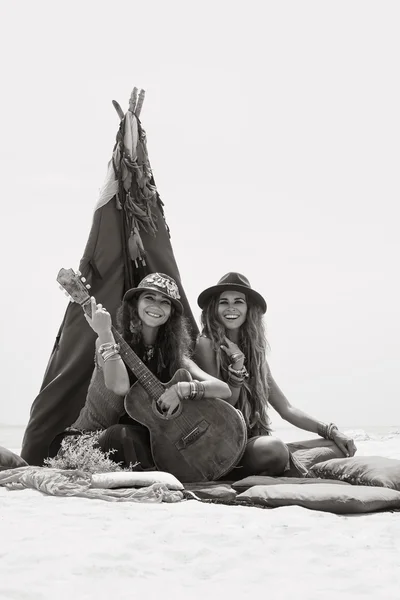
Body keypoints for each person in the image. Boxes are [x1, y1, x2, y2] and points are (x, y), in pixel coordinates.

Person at [54, 272, 231, 469]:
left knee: (149, 442)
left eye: (165, 302)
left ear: (171, 312)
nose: (156, 305)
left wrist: (181, 389)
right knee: (123, 434)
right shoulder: (106, 341)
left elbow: (223, 389)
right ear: (135, 304)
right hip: (85, 442)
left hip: (134, 445)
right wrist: (104, 333)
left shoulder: (173, 356)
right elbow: (120, 386)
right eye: (149, 298)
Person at [194, 272, 357, 478]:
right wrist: (237, 365)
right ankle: (283, 465)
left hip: (253, 442)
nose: (231, 307)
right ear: (214, 309)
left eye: (238, 302)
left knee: (337, 447)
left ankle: (285, 464)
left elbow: (286, 409)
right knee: (274, 449)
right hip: (223, 448)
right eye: (223, 302)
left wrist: (331, 430)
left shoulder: (255, 354)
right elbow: (222, 408)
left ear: (249, 309)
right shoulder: (206, 344)